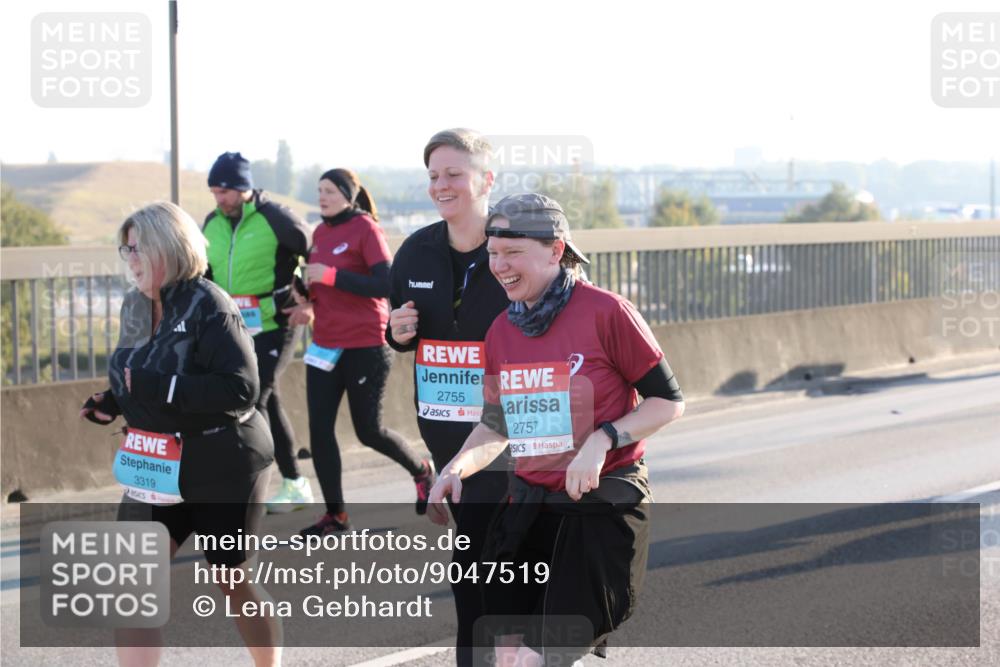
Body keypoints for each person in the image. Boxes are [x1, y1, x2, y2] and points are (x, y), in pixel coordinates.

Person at [427, 193, 686, 666]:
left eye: (512, 252)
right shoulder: (502, 331)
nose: (499, 266)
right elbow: (496, 425)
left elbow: (668, 402)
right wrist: (456, 468)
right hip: (529, 508)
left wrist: (603, 439)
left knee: (536, 658)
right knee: (505, 655)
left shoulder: (607, 312)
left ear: (555, 250)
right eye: (493, 253)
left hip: (600, 506)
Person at [79, 201, 281, 667]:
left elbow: (241, 388)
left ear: (169, 248)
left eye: (138, 249)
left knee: (232, 579)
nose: (130, 260)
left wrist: (161, 388)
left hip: (222, 461)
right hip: (156, 462)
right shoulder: (134, 304)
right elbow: (138, 372)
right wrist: (114, 400)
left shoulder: (210, 304)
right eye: (126, 249)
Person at [386, 129, 510, 666]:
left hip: (509, 432)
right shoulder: (415, 252)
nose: (441, 185)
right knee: (485, 565)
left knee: (479, 567)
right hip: (445, 435)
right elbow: (400, 331)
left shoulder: (513, 247)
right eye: (434, 175)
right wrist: (397, 332)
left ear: (486, 180)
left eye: (454, 174)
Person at [282, 168, 434, 536]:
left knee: (369, 431)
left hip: (366, 344)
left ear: (348, 196)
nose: (322, 197)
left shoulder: (366, 228)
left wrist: (331, 276)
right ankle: (336, 516)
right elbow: (322, 286)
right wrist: (307, 295)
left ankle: (422, 471)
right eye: (319, 190)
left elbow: (386, 283)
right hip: (324, 346)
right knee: (319, 432)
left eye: (330, 191)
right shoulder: (320, 233)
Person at [204, 151, 315, 513]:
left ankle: (274, 483)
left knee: (255, 398)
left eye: (224, 191)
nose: (219, 199)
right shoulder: (212, 223)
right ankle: (293, 483)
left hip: (274, 324)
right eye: (214, 192)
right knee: (266, 400)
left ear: (243, 188)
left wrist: (310, 300)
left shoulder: (276, 217)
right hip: (234, 329)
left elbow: (317, 252)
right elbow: (204, 271)